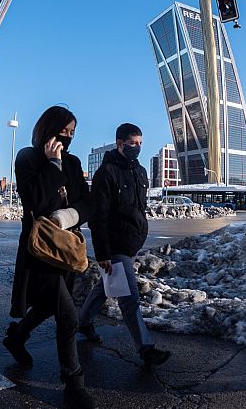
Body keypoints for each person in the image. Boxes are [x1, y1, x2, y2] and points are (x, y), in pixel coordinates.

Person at [2, 106, 96, 409]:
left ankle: (17, 338)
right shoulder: (28, 157)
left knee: (48, 304)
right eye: (62, 132)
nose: (66, 140)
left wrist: (67, 215)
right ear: (47, 129)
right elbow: (34, 199)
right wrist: (53, 165)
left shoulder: (74, 162)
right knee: (67, 314)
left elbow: (88, 203)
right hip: (39, 249)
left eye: (71, 134)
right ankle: (74, 382)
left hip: (66, 246)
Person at [78, 123, 171, 365]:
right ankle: (146, 348)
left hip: (131, 242)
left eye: (140, 143)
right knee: (128, 296)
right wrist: (103, 253)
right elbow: (99, 216)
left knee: (106, 286)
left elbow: (139, 208)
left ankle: (83, 322)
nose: (137, 147)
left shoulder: (140, 171)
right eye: (133, 143)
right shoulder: (106, 173)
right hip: (114, 242)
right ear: (120, 144)